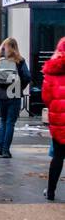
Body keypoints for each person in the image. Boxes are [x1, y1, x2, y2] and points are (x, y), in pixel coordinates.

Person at [0, 38, 31, 158]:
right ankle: (6, 150)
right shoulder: (19, 60)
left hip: (0, 95)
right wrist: (19, 87)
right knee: (10, 122)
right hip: (14, 94)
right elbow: (27, 77)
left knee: (3, 120)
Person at [44, 37, 65, 201]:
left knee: (58, 156)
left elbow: (46, 97)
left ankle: (51, 191)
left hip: (59, 120)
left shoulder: (51, 71)